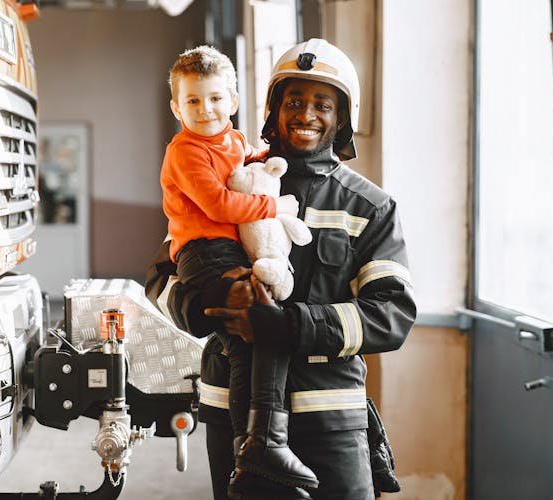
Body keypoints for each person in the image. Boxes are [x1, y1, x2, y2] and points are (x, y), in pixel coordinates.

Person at [146, 38, 416, 500]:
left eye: (322, 104)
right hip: (234, 416)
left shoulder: (370, 206)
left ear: (343, 117)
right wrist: (212, 301)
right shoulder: (233, 179)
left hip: (329, 416)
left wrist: (293, 325)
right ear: (273, 109)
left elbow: (391, 313)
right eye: (293, 101)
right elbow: (161, 281)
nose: (306, 114)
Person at [160, 45, 319, 493]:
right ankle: (255, 445)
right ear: (176, 107)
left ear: (232, 100)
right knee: (257, 325)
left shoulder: (232, 140)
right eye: (192, 101)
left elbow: (250, 158)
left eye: (214, 99)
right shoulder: (185, 152)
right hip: (204, 251)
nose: (205, 110)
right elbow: (219, 204)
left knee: (254, 335)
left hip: (229, 249)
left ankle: (260, 443)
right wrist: (273, 203)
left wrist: (271, 156)